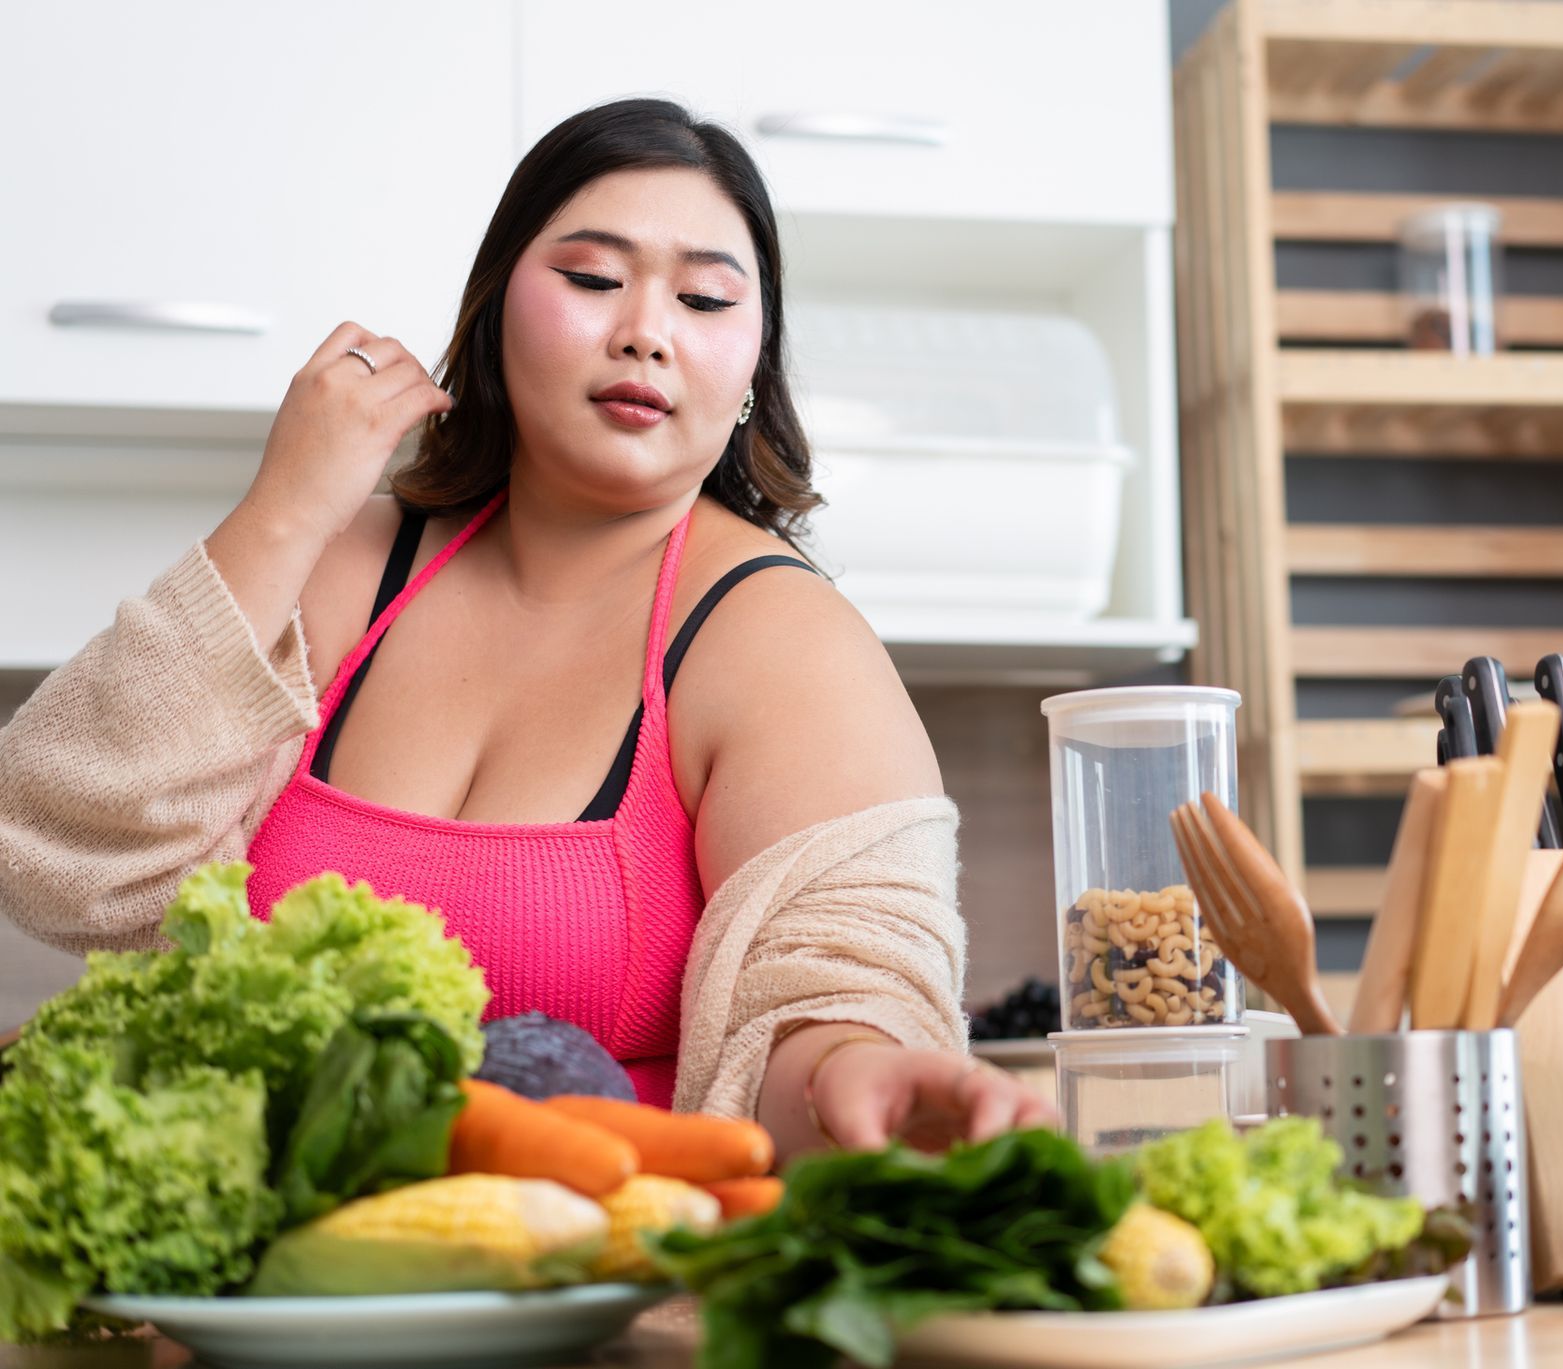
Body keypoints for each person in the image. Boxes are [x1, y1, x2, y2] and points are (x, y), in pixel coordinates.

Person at [0, 97, 1054, 1156]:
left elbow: (830, 997)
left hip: (594, 1294)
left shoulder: (782, 640)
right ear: (497, 312)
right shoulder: (346, 566)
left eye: (704, 297)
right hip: (265, 1299)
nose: (645, 329)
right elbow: (58, 843)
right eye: (594, 279)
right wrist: (289, 502)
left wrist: (859, 1069)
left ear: (751, 371)